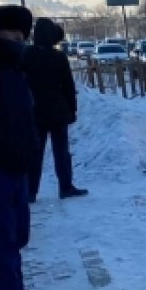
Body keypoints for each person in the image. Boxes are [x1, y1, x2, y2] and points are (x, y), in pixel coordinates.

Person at [0, 5, 59, 290]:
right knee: (1, 237)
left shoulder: (16, 68)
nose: (19, 39)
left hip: (17, 165)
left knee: (18, 235)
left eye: (22, 34)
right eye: (12, 34)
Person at [23, 18, 87, 201]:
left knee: (35, 152)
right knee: (61, 151)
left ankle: (30, 191)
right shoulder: (58, 57)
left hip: (34, 110)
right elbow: (68, 85)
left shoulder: (27, 55)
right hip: (57, 110)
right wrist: (72, 110)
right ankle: (65, 187)